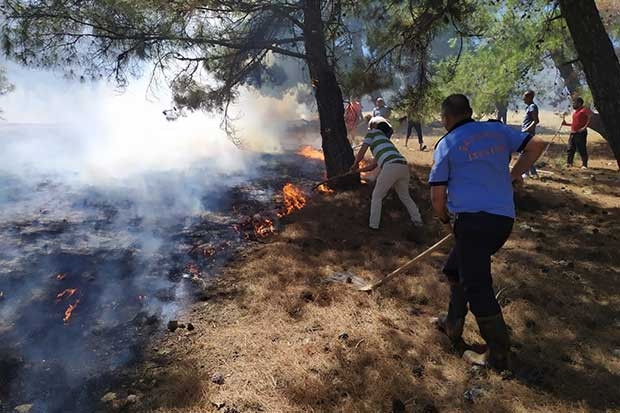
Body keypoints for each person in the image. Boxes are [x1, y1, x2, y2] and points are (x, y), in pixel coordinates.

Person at [429, 94, 544, 371]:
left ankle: (498, 353)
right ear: (469, 111)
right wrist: (512, 175)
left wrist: (444, 220)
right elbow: (536, 145)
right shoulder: (496, 130)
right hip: (501, 221)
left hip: (472, 224)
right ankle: (452, 325)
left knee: (476, 284)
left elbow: (437, 196)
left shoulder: (446, 144)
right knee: (455, 269)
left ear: (446, 118)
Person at [351, 116, 423, 230]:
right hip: (403, 166)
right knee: (405, 196)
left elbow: (361, 152)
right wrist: (357, 171)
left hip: (391, 166)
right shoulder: (384, 141)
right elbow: (373, 166)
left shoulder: (372, 133)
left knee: (377, 196)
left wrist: (355, 164)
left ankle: (373, 226)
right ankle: (417, 221)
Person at [562, 97, 592, 169]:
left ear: (579, 103)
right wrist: (566, 124)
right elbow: (575, 123)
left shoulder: (584, 110)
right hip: (573, 133)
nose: (573, 104)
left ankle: (584, 165)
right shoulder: (576, 112)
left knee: (582, 148)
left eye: (574, 103)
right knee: (570, 148)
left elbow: (590, 117)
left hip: (580, 133)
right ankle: (569, 163)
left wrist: (584, 127)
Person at [520, 90, 540, 178]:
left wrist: (526, 130)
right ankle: (532, 172)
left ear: (529, 97)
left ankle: (527, 172)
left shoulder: (532, 107)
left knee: (524, 153)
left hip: (528, 133)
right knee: (525, 153)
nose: (523, 99)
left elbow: (536, 121)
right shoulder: (528, 107)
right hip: (525, 133)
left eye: (524, 97)